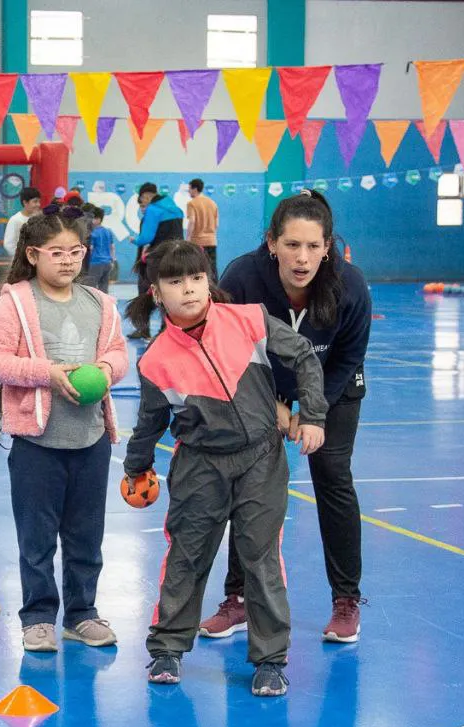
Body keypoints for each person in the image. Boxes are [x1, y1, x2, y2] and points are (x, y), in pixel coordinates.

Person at [124, 240, 327, 696]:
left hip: (262, 458)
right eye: (175, 281)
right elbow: (149, 424)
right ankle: (167, 649)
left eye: (197, 278)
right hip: (199, 467)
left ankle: (271, 659)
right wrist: (136, 469)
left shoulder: (248, 319)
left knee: (261, 559)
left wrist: (312, 415)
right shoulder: (155, 360)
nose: (190, 290)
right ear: (157, 293)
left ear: (208, 282)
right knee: (187, 556)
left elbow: (305, 357)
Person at [202, 192, 372, 645]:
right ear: (272, 243)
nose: (303, 258)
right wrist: (276, 409)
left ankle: (346, 600)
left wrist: (313, 413)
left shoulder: (350, 286)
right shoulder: (242, 277)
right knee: (251, 484)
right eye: (292, 245)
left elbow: (349, 357)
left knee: (333, 475)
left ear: (328, 246)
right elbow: (223, 349)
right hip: (257, 385)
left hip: (334, 386)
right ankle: (237, 598)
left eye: (314, 247)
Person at [0, 213, 130, 653]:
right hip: (37, 443)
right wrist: (47, 373)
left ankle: (82, 614)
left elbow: (119, 354)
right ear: (33, 255)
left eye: (76, 252)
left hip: (91, 438)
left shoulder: (100, 304)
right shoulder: (15, 303)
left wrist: (105, 368)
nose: (68, 261)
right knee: (37, 536)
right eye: (57, 253)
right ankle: (39, 617)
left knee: (87, 533)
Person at [128, 182, 184, 339]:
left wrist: (134, 240)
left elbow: (146, 238)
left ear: (146, 196)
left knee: (145, 293)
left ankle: (143, 330)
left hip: (157, 257)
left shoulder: (154, 210)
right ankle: (166, 329)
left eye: (142, 200)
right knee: (171, 293)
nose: (142, 204)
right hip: (175, 256)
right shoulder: (176, 209)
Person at [185, 178, 219, 275]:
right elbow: (216, 224)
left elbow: (192, 221)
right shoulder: (212, 203)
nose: (189, 192)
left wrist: (187, 239)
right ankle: (214, 289)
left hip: (197, 242)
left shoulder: (192, 203)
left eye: (189, 189)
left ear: (195, 189)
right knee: (212, 269)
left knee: (197, 269)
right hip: (211, 241)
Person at [2, 187, 43, 256]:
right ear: (25, 202)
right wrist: (22, 257)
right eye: (35, 201)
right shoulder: (15, 220)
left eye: (39, 201)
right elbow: (9, 244)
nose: (38, 204)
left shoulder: (38, 219)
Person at [86, 205, 115, 293]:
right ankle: (104, 305)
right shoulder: (108, 231)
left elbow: (91, 248)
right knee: (104, 288)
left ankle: (93, 306)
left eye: (93, 218)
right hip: (107, 263)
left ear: (98, 219)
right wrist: (112, 260)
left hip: (96, 262)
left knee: (91, 288)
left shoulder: (93, 233)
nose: (91, 221)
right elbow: (112, 247)